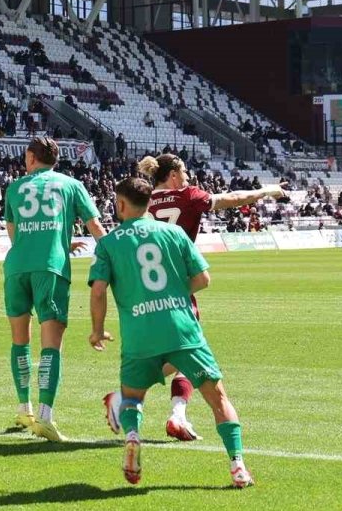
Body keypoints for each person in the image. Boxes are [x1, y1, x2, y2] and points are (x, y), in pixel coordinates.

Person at [92, 177, 254, 488]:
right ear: (149, 203)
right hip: (182, 329)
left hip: (140, 333)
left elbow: (98, 291)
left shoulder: (110, 244)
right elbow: (203, 279)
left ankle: (133, 437)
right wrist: (178, 295)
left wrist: (98, 330)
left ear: (121, 204)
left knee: (131, 396)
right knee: (218, 398)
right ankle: (238, 466)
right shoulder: (174, 233)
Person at [133, 153, 286, 442]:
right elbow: (233, 198)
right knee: (189, 349)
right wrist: (268, 191)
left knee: (177, 352)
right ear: (174, 175)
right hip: (179, 284)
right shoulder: (188, 195)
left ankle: (175, 412)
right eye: (186, 172)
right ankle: (132, 394)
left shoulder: (144, 199)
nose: (189, 177)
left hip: (146, 283)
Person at [2, 137, 107, 441]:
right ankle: (45, 417)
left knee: (20, 340)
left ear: (32, 158)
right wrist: (117, 254)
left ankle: (25, 408)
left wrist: (49, 243)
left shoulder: (14, 187)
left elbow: (14, 234)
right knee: (52, 343)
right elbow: (96, 227)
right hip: (51, 267)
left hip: (16, 268)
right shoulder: (70, 184)